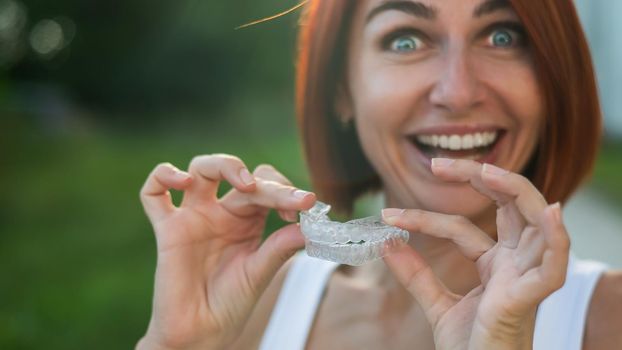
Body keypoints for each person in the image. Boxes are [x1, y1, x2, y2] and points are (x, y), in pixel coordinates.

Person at [135, 0, 622, 349]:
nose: (458, 91)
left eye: (502, 35)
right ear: (342, 91)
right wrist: (176, 344)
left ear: (553, 78)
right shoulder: (253, 305)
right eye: (405, 39)